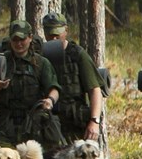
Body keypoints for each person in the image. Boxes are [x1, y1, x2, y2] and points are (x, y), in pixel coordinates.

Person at [0, 20, 63, 151]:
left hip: (33, 125)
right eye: (15, 40)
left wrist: (50, 100)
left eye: (22, 39)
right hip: (6, 124)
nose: (18, 44)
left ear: (30, 38)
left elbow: (54, 88)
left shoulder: (41, 63)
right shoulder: (0, 61)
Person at [40, 14, 107, 144]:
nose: (53, 38)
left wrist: (94, 121)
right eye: (50, 34)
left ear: (66, 30)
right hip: (49, 121)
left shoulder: (77, 54)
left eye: (57, 34)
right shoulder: (41, 55)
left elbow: (94, 90)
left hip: (74, 122)